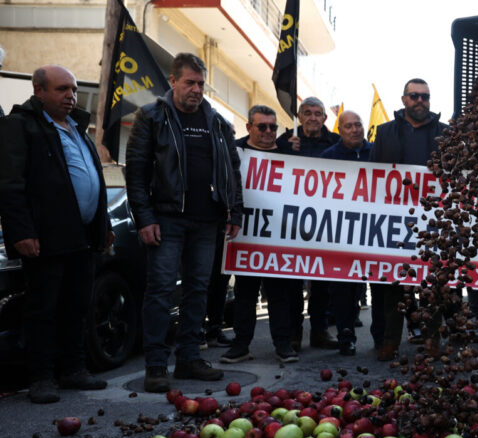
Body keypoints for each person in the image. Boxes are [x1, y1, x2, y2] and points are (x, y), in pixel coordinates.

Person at [125, 53, 243, 392]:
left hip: (207, 222)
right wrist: (144, 218)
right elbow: (135, 172)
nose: (196, 89)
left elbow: (232, 170)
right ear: (173, 81)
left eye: (201, 84)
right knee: (161, 291)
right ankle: (156, 365)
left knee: (198, 290)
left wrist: (235, 211)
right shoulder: (152, 116)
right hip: (166, 219)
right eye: (189, 82)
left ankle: (189, 358)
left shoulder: (218, 121)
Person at [0, 65, 112, 403]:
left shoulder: (77, 126)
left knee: (77, 305)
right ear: (39, 91)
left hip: (82, 235)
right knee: (43, 308)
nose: (71, 96)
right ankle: (41, 377)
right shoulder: (21, 126)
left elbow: (93, 178)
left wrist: (103, 225)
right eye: (62, 89)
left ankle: (73, 370)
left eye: (73, 90)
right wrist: (20, 231)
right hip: (45, 237)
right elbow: (9, 184)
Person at [370, 78, 448, 361]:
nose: (420, 101)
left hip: (434, 220)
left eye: (425, 96)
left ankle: (431, 340)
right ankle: (390, 340)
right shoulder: (385, 132)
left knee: (433, 285)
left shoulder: (445, 133)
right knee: (394, 284)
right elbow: (374, 173)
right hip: (394, 221)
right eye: (414, 96)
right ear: (404, 100)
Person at [220, 105, 303, 364]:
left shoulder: (289, 153)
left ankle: (283, 344)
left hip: (277, 237)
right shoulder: (234, 151)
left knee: (278, 294)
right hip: (244, 234)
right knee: (245, 293)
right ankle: (241, 345)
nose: (269, 132)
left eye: (273, 127)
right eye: (262, 126)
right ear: (249, 128)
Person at [278, 96, 341, 351]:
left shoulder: (336, 142)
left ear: (325, 118)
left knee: (322, 282)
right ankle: (294, 332)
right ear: (300, 117)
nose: (313, 117)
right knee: (293, 282)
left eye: (318, 113)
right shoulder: (285, 141)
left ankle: (320, 331)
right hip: (293, 222)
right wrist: (285, 150)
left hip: (326, 222)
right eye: (308, 113)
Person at [317, 110, 375, 356]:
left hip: (375, 231)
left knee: (379, 287)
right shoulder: (328, 157)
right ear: (339, 130)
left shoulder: (378, 153)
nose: (354, 130)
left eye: (358, 124)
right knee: (344, 290)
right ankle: (346, 335)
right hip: (342, 234)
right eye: (348, 126)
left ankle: (381, 338)